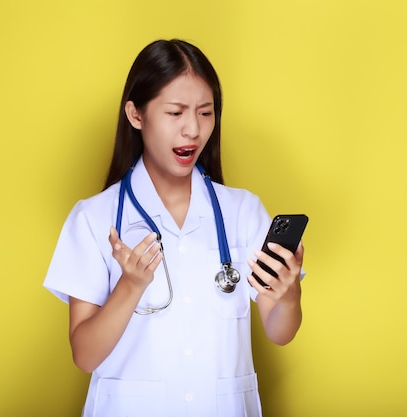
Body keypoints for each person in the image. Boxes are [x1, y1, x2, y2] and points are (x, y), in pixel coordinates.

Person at [43, 39, 304, 417]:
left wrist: (289, 294)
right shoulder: (94, 218)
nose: (193, 130)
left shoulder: (243, 211)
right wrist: (130, 286)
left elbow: (280, 332)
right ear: (136, 115)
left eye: (205, 112)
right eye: (175, 112)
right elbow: (84, 355)